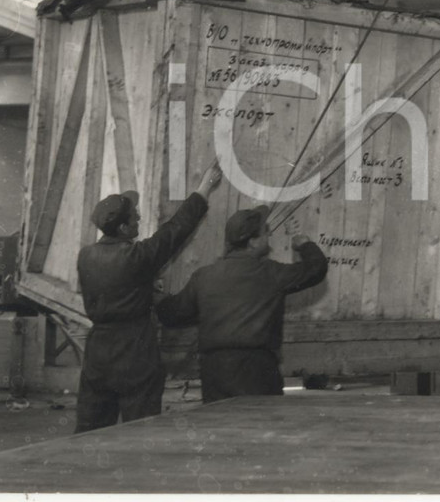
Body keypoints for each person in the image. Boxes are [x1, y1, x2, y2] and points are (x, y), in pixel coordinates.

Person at [75, 162, 222, 433]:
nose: (139, 219)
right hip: (134, 348)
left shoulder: (86, 256)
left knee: (90, 430)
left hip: (98, 351)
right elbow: (175, 231)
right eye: (134, 217)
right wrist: (204, 189)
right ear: (121, 229)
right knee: (140, 429)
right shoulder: (137, 258)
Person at [156, 206, 329, 403]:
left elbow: (172, 314)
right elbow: (316, 268)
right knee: (259, 428)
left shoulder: (203, 276)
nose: (269, 236)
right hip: (257, 369)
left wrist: (155, 294)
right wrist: (305, 245)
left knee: (219, 426)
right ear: (253, 242)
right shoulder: (270, 273)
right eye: (266, 233)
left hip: (214, 370)